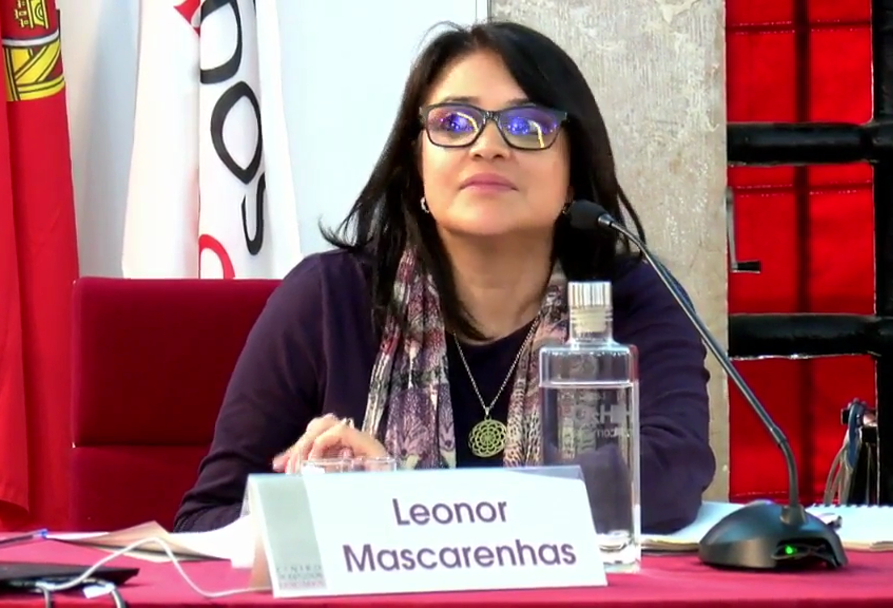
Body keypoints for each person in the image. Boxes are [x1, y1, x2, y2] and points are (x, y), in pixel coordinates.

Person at [173, 21, 715, 533]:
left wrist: (402, 502)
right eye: (454, 123)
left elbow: (669, 480)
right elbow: (208, 519)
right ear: (417, 169)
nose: (487, 146)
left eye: (527, 126)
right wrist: (325, 507)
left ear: (573, 174)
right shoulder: (327, 301)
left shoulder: (632, 299)